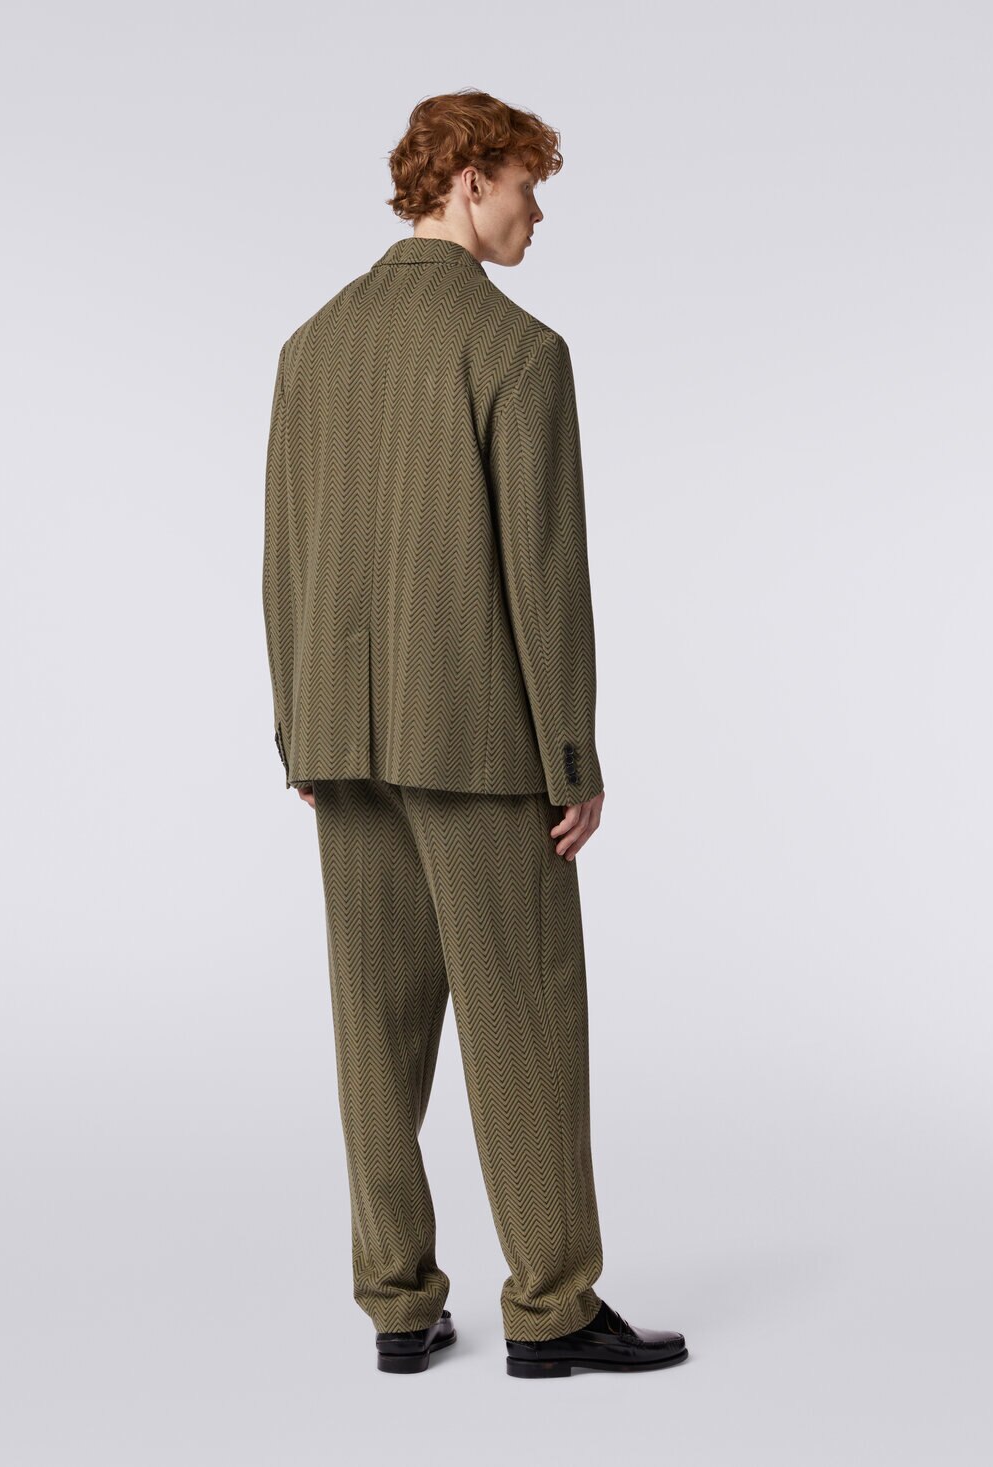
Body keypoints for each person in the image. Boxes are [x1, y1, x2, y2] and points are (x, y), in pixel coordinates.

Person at [262, 87, 688, 1378]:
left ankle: (397, 1304)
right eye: (527, 189)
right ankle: (551, 1310)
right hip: (483, 744)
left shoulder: (313, 345)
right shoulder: (517, 351)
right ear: (470, 181)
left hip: (341, 741)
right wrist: (573, 757)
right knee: (527, 1021)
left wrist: (299, 731)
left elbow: (283, 555)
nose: (536, 216)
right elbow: (544, 578)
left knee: (373, 1032)